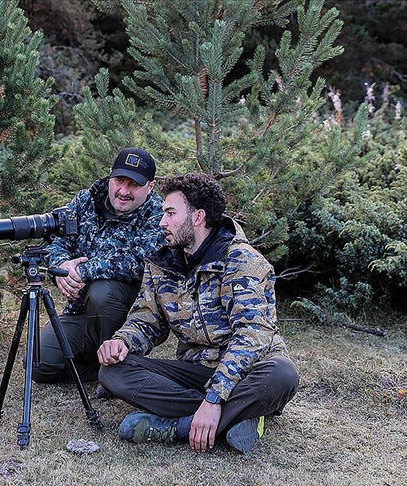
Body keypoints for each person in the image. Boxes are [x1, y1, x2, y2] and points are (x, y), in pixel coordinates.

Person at [97, 173, 299, 453]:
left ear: (197, 217)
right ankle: (240, 414)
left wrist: (215, 398)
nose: (161, 222)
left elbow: (251, 336)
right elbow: (146, 319)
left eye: (170, 213)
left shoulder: (243, 261)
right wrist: (122, 342)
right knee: (112, 372)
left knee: (283, 374)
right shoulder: (163, 261)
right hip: (198, 370)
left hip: (249, 372)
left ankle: (178, 426)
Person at [32, 148, 166, 384]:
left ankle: (119, 368)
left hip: (129, 312)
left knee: (102, 291)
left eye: (133, 185)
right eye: (119, 181)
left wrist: (82, 271)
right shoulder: (86, 200)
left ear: (150, 187)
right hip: (83, 310)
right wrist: (62, 267)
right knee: (39, 363)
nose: (123, 191)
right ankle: (104, 369)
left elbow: (138, 261)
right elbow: (55, 239)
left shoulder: (159, 213)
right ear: (110, 176)